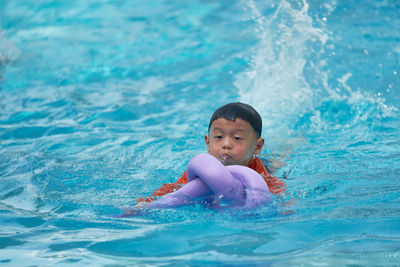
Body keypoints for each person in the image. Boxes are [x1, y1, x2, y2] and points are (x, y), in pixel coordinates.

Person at [135, 102, 286, 208]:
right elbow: (175, 188)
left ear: (257, 146)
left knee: (277, 163)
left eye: (237, 138)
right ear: (208, 143)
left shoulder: (258, 171)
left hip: (257, 165)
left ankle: (287, 147)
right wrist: (147, 202)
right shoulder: (203, 169)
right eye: (218, 137)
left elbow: (276, 190)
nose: (226, 144)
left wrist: (284, 205)